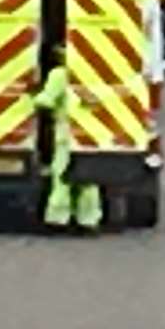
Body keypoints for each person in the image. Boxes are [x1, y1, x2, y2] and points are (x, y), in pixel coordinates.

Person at [31, 61, 102, 231]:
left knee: (62, 176)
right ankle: (88, 219)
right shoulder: (99, 74)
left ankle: (58, 218)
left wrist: (32, 97)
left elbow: (45, 101)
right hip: (94, 136)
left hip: (67, 135)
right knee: (89, 180)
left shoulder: (60, 75)